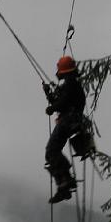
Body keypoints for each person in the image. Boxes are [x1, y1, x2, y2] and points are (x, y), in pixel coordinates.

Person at [43, 55, 87, 204]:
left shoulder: (71, 85)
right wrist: (49, 94)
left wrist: (52, 108)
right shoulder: (72, 85)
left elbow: (62, 103)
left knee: (51, 151)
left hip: (68, 121)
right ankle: (64, 184)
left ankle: (64, 184)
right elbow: (61, 101)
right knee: (52, 151)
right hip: (71, 120)